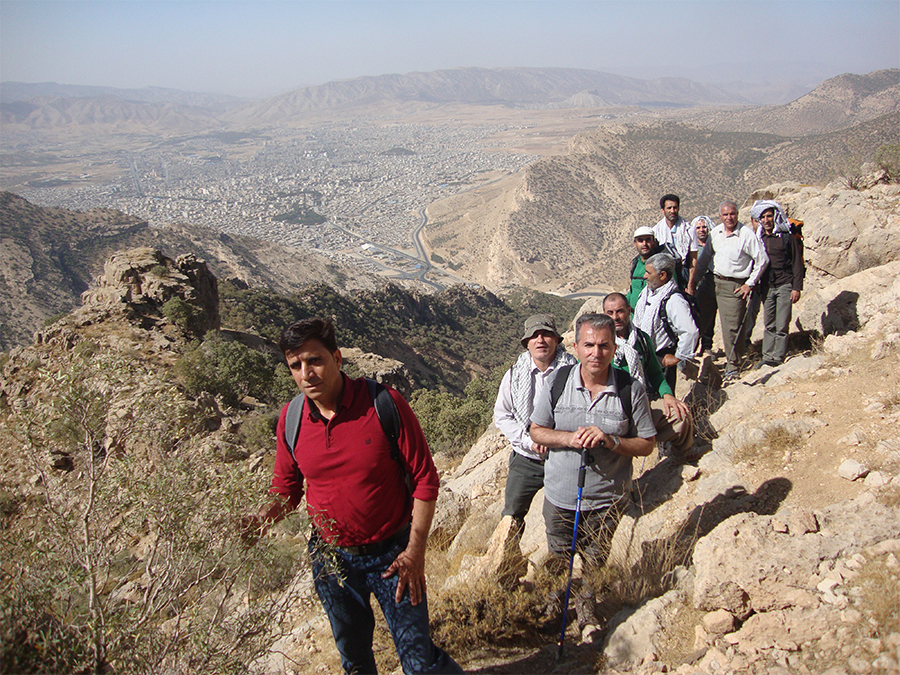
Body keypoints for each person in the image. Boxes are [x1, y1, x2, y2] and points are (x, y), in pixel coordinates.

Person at [247, 317, 462, 675]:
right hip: (332, 560)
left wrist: (416, 551)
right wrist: (258, 520)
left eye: (315, 360)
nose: (306, 373)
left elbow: (425, 478)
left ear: (337, 357)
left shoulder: (383, 403)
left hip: (394, 556)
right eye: (295, 365)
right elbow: (286, 490)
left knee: (419, 660)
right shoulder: (292, 418)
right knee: (355, 660)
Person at [530, 313, 656, 570]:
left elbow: (647, 444)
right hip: (559, 500)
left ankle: (588, 607)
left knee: (595, 569)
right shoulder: (557, 382)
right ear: (575, 348)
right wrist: (569, 438)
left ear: (614, 348)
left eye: (604, 345)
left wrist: (612, 442)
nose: (596, 353)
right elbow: (536, 430)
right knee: (558, 567)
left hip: (606, 505)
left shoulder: (631, 390)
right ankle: (558, 606)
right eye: (588, 345)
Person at [494, 314, 578, 534]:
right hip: (527, 460)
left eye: (546, 334)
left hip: (564, 457)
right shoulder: (514, 375)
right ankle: (507, 561)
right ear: (527, 343)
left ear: (556, 340)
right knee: (512, 515)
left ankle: (559, 560)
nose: (540, 340)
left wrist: (557, 439)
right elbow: (502, 415)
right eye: (534, 335)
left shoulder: (575, 372)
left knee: (566, 515)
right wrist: (529, 441)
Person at [602, 292, 695, 459]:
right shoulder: (600, 344)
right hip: (612, 410)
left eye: (620, 311)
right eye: (610, 313)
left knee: (680, 415)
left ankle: (680, 460)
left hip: (642, 403)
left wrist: (667, 395)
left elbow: (654, 372)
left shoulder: (642, 339)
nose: (615, 317)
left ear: (629, 310)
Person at [691, 201, 769, 381]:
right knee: (697, 318)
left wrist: (750, 283)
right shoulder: (716, 233)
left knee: (731, 327)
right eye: (725, 215)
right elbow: (704, 259)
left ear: (738, 214)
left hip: (734, 285)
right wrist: (694, 282)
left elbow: (762, 260)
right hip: (712, 280)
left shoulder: (746, 235)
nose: (729, 218)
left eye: (732, 214)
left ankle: (733, 365)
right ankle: (687, 357)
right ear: (720, 216)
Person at [633, 252, 699, 395]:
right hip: (645, 357)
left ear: (662, 275)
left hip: (660, 361)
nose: (645, 276)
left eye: (648, 273)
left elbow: (690, 331)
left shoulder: (674, 300)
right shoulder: (649, 292)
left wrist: (678, 357)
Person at [750, 200, 805, 367]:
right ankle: (767, 356)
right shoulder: (759, 238)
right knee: (769, 323)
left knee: (781, 323)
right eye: (763, 217)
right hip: (767, 286)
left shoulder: (787, 238)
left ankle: (778, 357)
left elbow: (797, 263)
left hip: (785, 284)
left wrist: (796, 287)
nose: (766, 220)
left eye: (769, 216)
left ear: (775, 217)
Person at [653, 193, 698, 289]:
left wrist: (690, 285)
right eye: (669, 208)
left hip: (683, 274)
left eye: (675, 207)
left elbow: (693, 260)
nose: (672, 211)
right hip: (663, 276)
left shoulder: (689, 230)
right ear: (663, 210)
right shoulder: (656, 231)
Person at [691, 215, 717, 354]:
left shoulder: (714, 245)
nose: (701, 230)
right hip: (696, 287)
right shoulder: (692, 247)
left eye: (704, 227)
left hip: (711, 286)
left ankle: (707, 346)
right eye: (698, 228)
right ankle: (693, 348)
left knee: (710, 316)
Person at [626, 226, 663, 308]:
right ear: (635, 244)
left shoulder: (661, 264)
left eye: (648, 240)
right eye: (640, 240)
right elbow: (633, 289)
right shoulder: (636, 263)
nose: (644, 244)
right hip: (633, 317)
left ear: (654, 242)